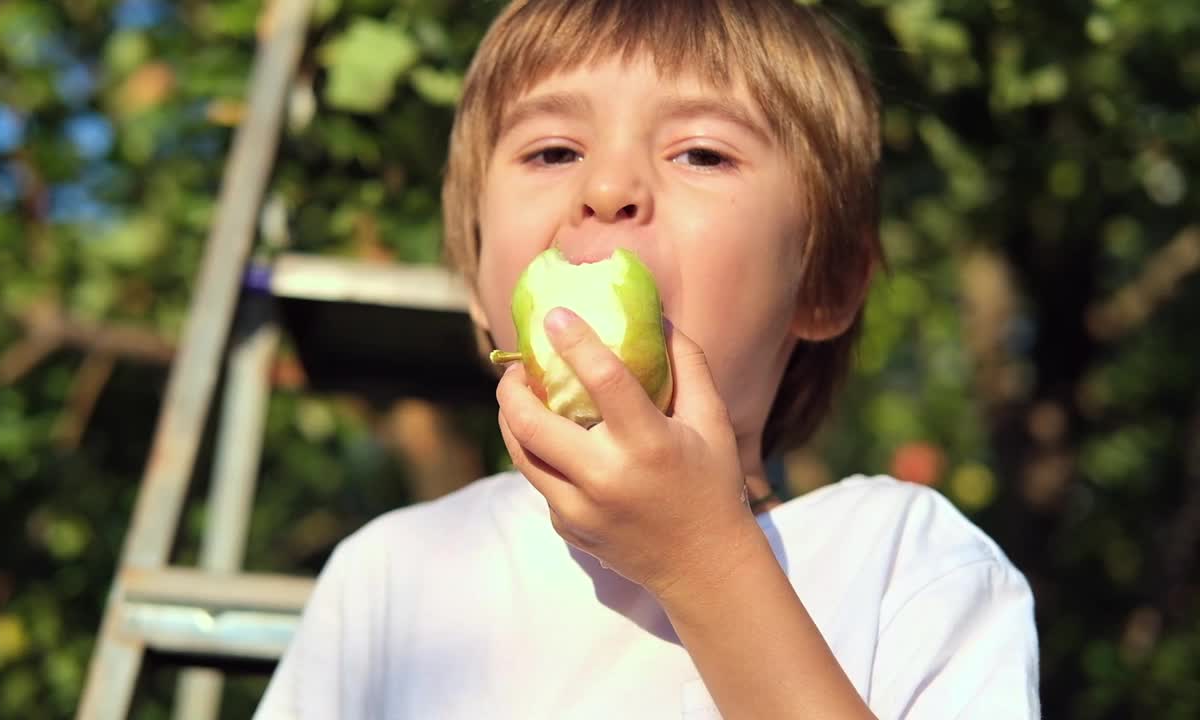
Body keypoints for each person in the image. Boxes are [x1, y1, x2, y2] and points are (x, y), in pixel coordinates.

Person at [255, 0, 1040, 717]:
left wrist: (704, 561)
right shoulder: (392, 580)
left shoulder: (909, 564)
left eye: (701, 153)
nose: (606, 187)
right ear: (475, 275)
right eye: (554, 150)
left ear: (825, 282)